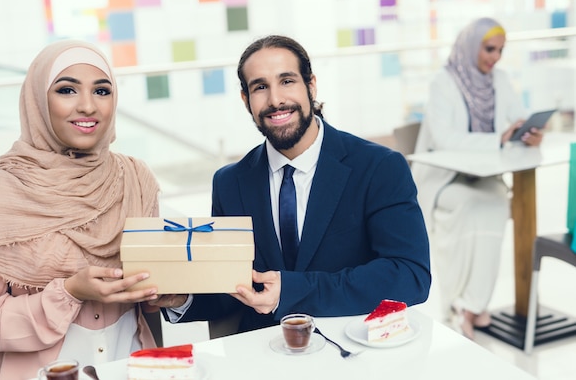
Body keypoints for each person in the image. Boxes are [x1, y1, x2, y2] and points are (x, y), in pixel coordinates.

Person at [160, 34, 431, 333]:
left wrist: (292, 290)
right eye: (260, 87)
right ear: (245, 100)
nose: (275, 100)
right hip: (264, 356)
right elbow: (233, 289)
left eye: (287, 81)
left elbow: (410, 275)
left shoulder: (379, 167)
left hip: (356, 351)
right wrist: (181, 298)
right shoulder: (230, 183)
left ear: (311, 86)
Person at [0, 40, 177, 379]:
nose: (88, 106)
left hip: (136, 366)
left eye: (102, 91)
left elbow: (153, 288)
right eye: (67, 90)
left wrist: (170, 287)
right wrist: (69, 293)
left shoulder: (135, 179)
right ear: (38, 101)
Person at [412, 17, 544, 339]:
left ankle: (474, 304)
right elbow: (444, 139)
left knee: (497, 201)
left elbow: (516, 118)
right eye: (489, 49)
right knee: (471, 205)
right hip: (445, 179)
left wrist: (528, 132)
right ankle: (456, 305)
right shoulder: (444, 82)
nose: (495, 57)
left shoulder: (499, 79)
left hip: (484, 176)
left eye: (500, 50)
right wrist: (498, 139)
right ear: (472, 45)